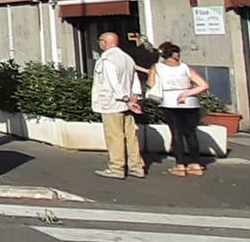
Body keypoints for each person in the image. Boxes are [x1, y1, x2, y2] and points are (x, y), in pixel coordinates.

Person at [148, 42, 212, 176]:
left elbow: (151, 84)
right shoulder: (185, 67)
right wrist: (186, 93)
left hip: (170, 101)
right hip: (190, 103)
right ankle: (195, 163)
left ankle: (180, 164)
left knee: (176, 133)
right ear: (176, 54)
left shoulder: (157, 67)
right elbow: (204, 85)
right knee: (191, 133)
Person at [91, 31, 146, 179]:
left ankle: (117, 168)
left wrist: (124, 98)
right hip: (127, 104)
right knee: (130, 136)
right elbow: (135, 79)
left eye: (100, 42)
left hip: (112, 103)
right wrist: (134, 98)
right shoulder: (127, 58)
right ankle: (137, 166)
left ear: (104, 42)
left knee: (114, 136)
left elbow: (112, 82)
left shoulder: (107, 60)